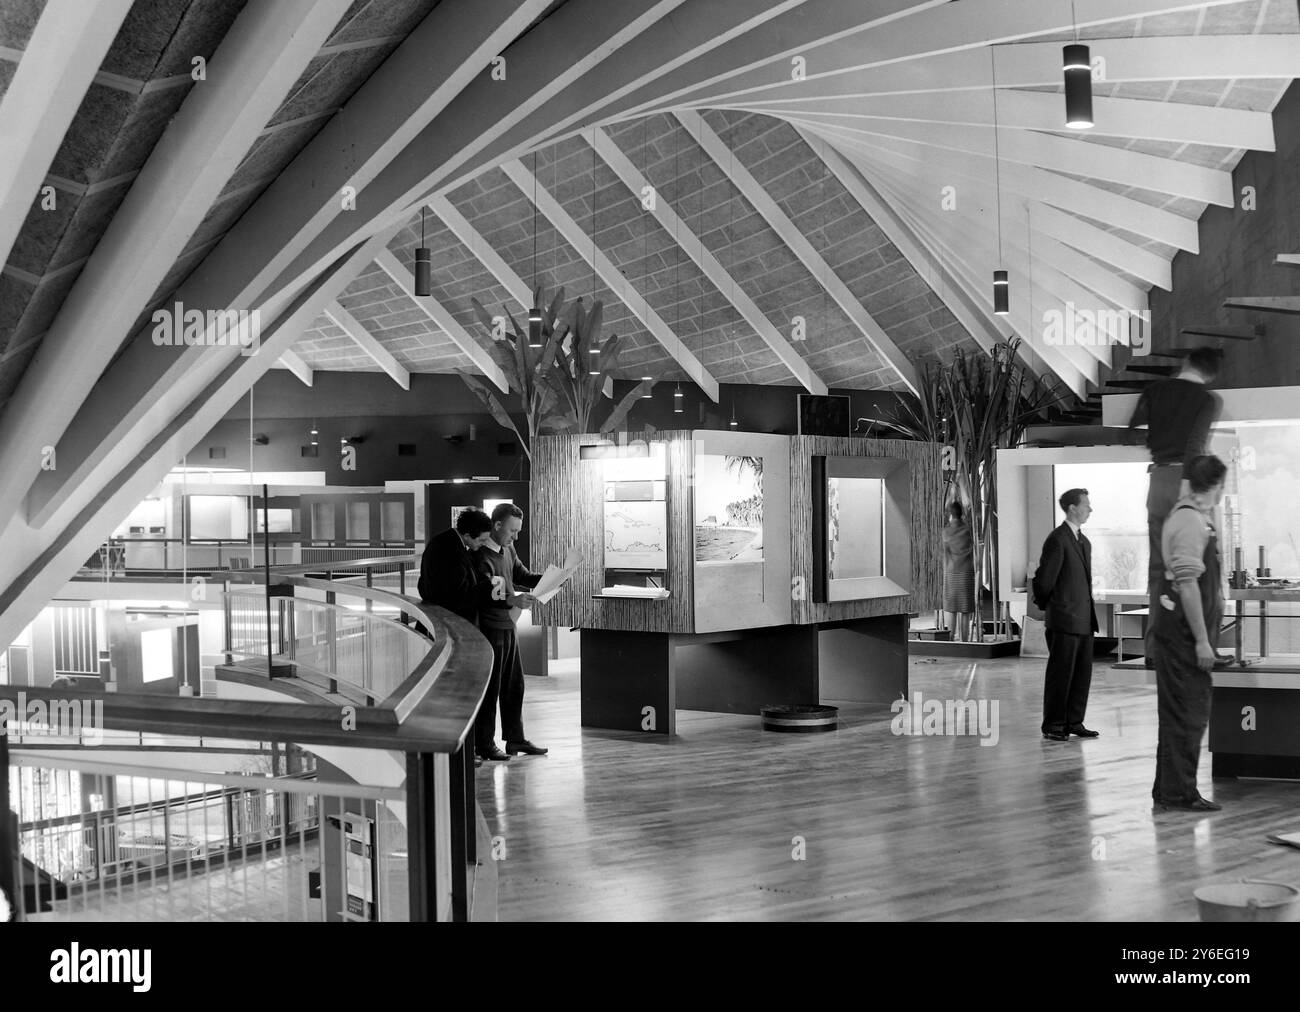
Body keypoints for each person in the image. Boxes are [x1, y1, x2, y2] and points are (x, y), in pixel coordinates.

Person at [1128, 347, 1223, 664]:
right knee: (1203, 566)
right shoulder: (1207, 400)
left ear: (1186, 363)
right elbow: (1196, 444)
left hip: (1157, 482)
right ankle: (1205, 646)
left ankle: (1155, 651)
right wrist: (1189, 493)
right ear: (1210, 374)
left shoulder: (1155, 390)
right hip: (1187, 482)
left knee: (1159, 569)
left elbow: (1135, 427)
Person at [1151, 455, 1228, 813]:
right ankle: (1179, 793)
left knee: (1180, 712)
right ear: (1217, 486)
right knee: (1187, 712)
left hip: (1182, 633)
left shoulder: (1195, 518)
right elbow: (1187, 585)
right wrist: (1201, 640)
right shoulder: (1189, 521)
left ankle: (1170, 791)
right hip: (1182, 634)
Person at [473, 503, 545, 762]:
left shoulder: (508, 549)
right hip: (490, 628)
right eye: (512, 531)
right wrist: (512, 601)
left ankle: (515, 738)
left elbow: (521, 574)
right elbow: (485, 593)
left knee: (515, 685)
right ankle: (485, 744)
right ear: (497, 525)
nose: (516, 537)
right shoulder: (480, 556)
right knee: (492, 689)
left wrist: (551, 579)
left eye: (518, 532)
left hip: (507, 625)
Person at [1031, 488, 1099, 741]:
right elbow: (1044, 579)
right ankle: (1054, 724)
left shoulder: (1083, 541)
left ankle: (1074, 721)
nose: (1089, 509)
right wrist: (1049, 606)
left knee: (1082, 674)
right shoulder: (1058, 539)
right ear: (1072, 508)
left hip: (1082, 619)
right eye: (1086, 505)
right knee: (1061, 674)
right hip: (1064, 618)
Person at [416, 508, 494, 622]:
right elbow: (458, 596)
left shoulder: (444, 540)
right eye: (482, 540)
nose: (483, 544)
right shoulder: (452, 551)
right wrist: (487, 584)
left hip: (436, 611)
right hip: (449, 618)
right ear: (467, 535)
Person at [942, 501, 975, 640]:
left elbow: (944, 552)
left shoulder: (946, 532)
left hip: (951, 572)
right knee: (965, 608)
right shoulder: (968, 530)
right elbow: (972, 548)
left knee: (952, 608)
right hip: (966, 571)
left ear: (950, 514)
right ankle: (965, 640)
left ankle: (950, 640)